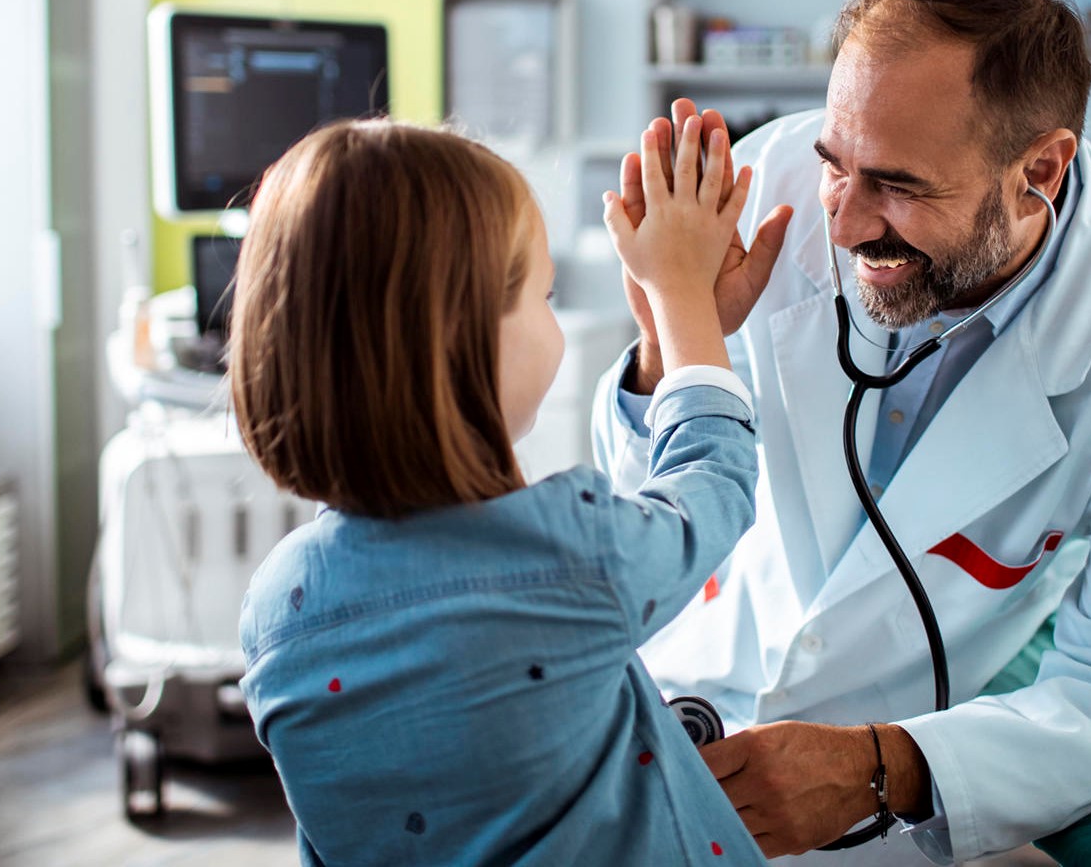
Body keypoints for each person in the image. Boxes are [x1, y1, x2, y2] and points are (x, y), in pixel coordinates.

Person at [593, 0, 1091, 864]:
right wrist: (671, 341)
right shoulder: (763, 190)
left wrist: (883, 768)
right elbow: (631, 518)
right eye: (836, 164)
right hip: (681, 699)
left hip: (895, 805)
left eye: (898, 186)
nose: (847, 223)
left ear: (1041, 172)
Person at [231, 117, 781, 865]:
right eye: (545, 295)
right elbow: (713, 481)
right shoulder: (565, 552)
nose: (553, 316)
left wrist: (668, 337)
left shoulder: (276, 608)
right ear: (465, 339)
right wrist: (682, 300)